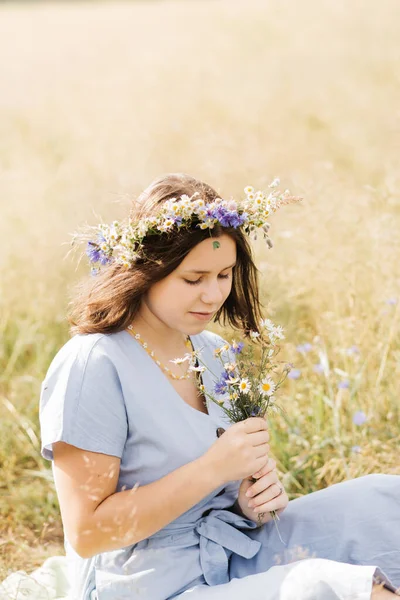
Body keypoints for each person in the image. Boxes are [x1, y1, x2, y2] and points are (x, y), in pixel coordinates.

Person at [39, 173, 399, 600]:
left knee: (383, 502)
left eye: (224, 275)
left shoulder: (212, 352)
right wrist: (213, 469)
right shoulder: (94, 364)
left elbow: (225, 493)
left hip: (233, 553)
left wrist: (249, 501)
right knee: (328, 588)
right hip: (150, 585)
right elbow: (88, 533)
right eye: (193, 279)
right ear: (145, 271)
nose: (213, 295)